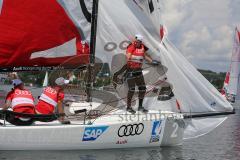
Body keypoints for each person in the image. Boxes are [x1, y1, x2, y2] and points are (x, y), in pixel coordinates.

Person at [124, 34, 159, 114]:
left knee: (142, 89)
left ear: (141, 41)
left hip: (138, 71)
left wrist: (152, 61)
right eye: (136, 41)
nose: (137, 43)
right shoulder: (131, 46)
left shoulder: (142, 47)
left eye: (139, 42)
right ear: (135, 40)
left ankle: (140, 107)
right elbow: (128, 55)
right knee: (132, 89)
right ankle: (128, 107)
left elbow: (144, 56)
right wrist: (129, 58)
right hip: (130, 71)